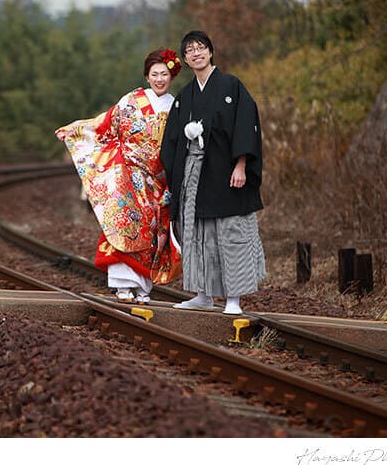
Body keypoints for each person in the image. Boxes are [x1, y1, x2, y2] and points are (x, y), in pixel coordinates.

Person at [56, 48, 183, 303]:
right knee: (123, 224)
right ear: (147, 77)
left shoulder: (177, 106)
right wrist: (77, 131)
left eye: (164, 74)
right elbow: (105, 125)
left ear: (171, 77)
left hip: (159, 180)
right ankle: (123, 286)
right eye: (155, 74)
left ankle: (143, 288)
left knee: (152, 232)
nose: (160, 79)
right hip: (128, 174)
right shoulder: (131, 101)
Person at [160, 30, 266, 314]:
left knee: (230, 233)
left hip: (227, 172)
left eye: (201, 48)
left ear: (210, 51)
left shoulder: (231, 85)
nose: (196, 53)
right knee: (197, 234)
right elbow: (172, 140)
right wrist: (177, 173)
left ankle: (234, 298)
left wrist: (241, 164)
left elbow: (246, 125)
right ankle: (203, 294)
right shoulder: (185, 95)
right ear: (185, 58)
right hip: (195, 175)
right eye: (190, 50)